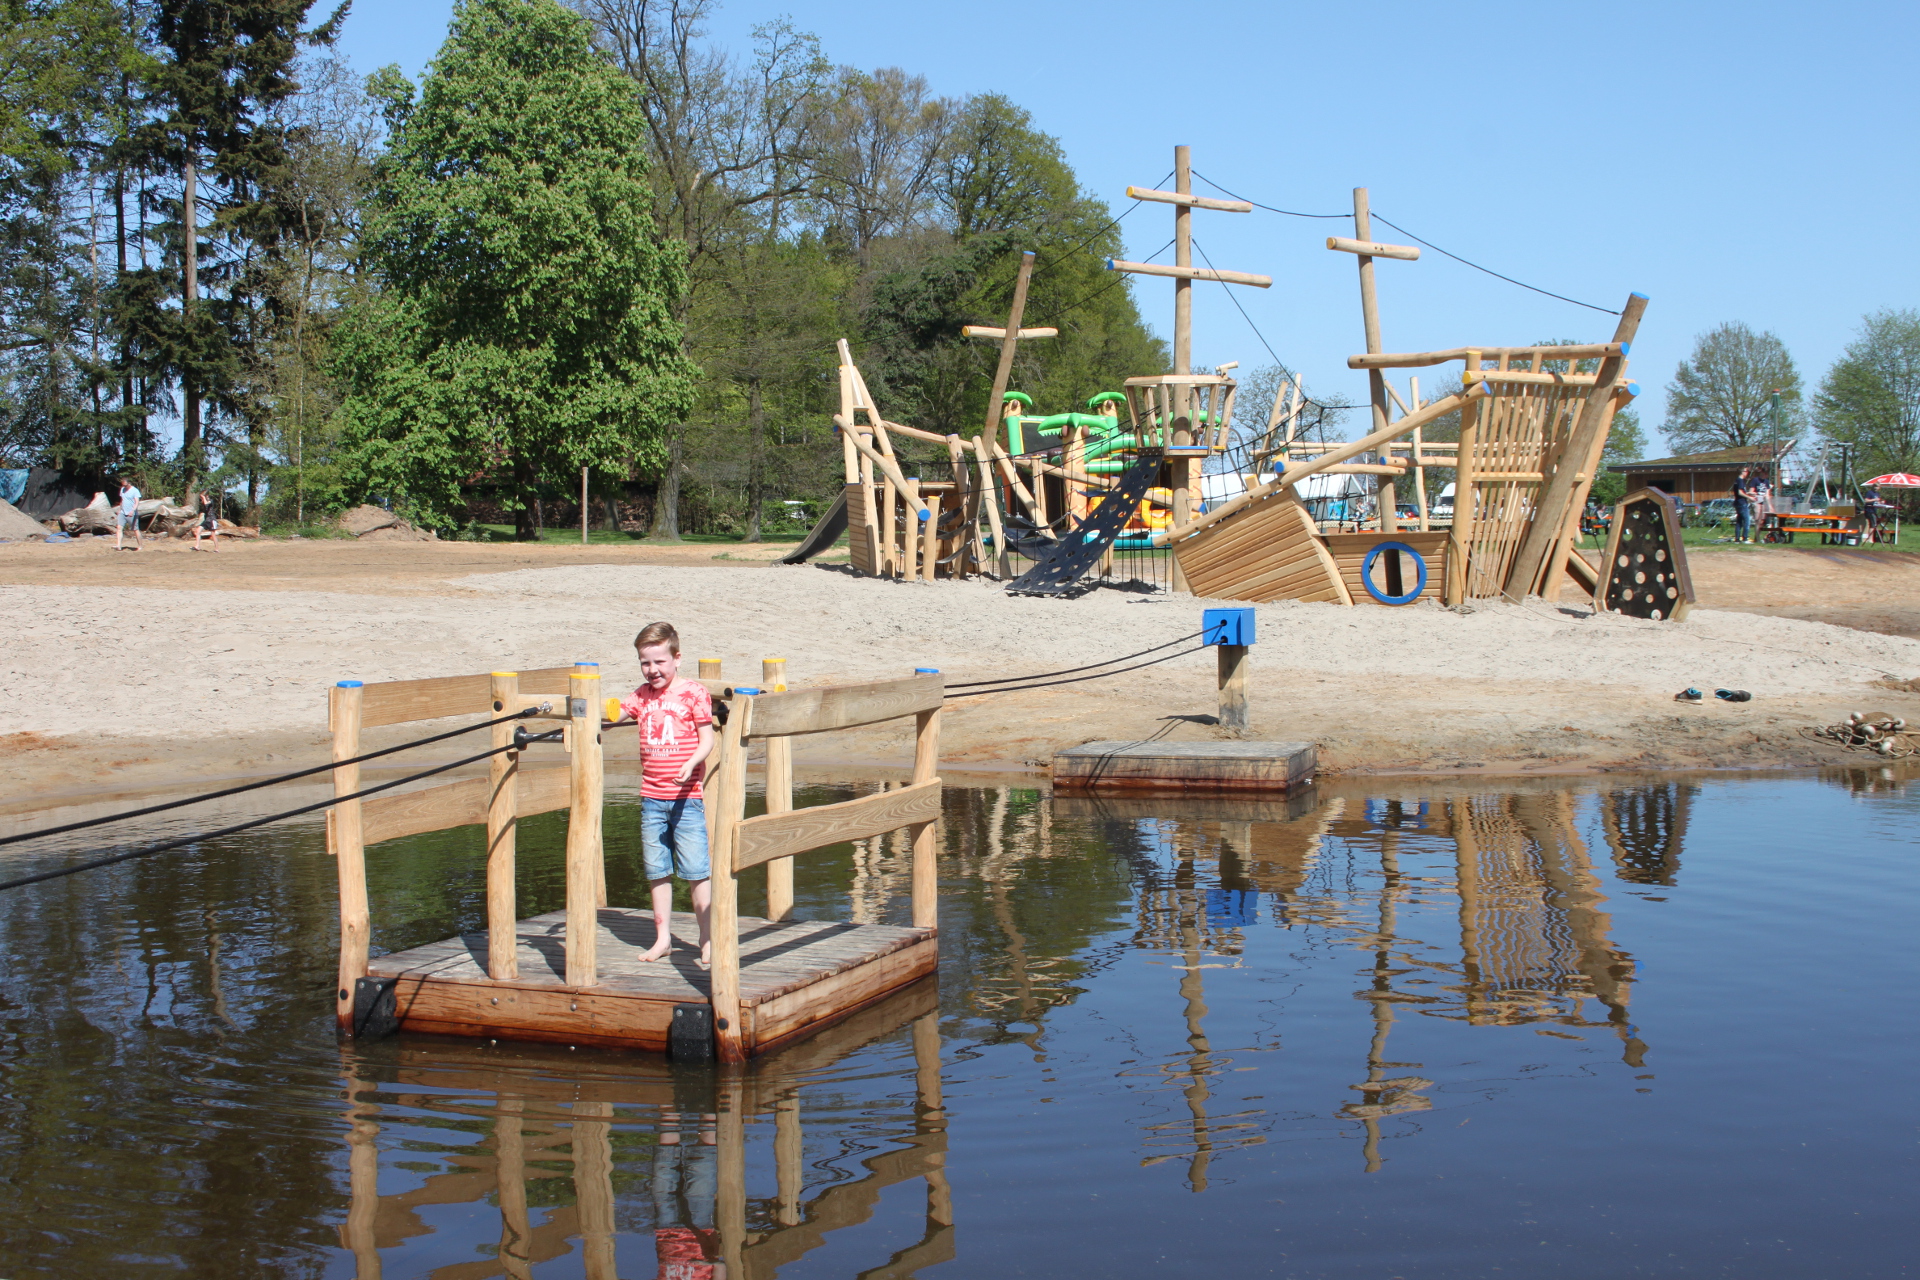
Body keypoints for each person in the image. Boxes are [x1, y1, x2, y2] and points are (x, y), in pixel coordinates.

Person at [619, 621, 717, 966]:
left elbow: (707, 738)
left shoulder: (693, 693)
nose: (652, 670)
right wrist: (585, 709)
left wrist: (691, 764)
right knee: (656, 869)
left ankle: (706, 938)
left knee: (695, 869)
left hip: (686, 798)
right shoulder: (642, 696)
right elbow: (614, 713)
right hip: (651, 798)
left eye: (660, 662)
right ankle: (663, 939)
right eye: (646, 663)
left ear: (676, 658)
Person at [113, 477, 143, 551]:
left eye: (125, 485)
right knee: (119, 528)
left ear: (129, 483)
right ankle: (119, 545)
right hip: (123, 512)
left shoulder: (135, 491)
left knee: (135, 530)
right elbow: (122, 500)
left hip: (132, 513)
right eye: (123, 485)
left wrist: (132, 511)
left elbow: (136, 502)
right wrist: (120, 509)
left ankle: (140, 545)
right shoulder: (122, 489)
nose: (124, 487)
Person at [1731, 466, 1759, 543]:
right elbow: (1740, 493)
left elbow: (1741, 491)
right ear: (1742, 472)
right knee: (1747, 521)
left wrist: (1749, 493)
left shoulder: (1738, 480)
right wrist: (1750, 497)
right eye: (1746, 471)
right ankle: (1745, 538)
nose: (1747, 473)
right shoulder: (1740, 480)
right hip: (1741, 503)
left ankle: (1737, 539)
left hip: (1738, 502)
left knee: (1739, 522)